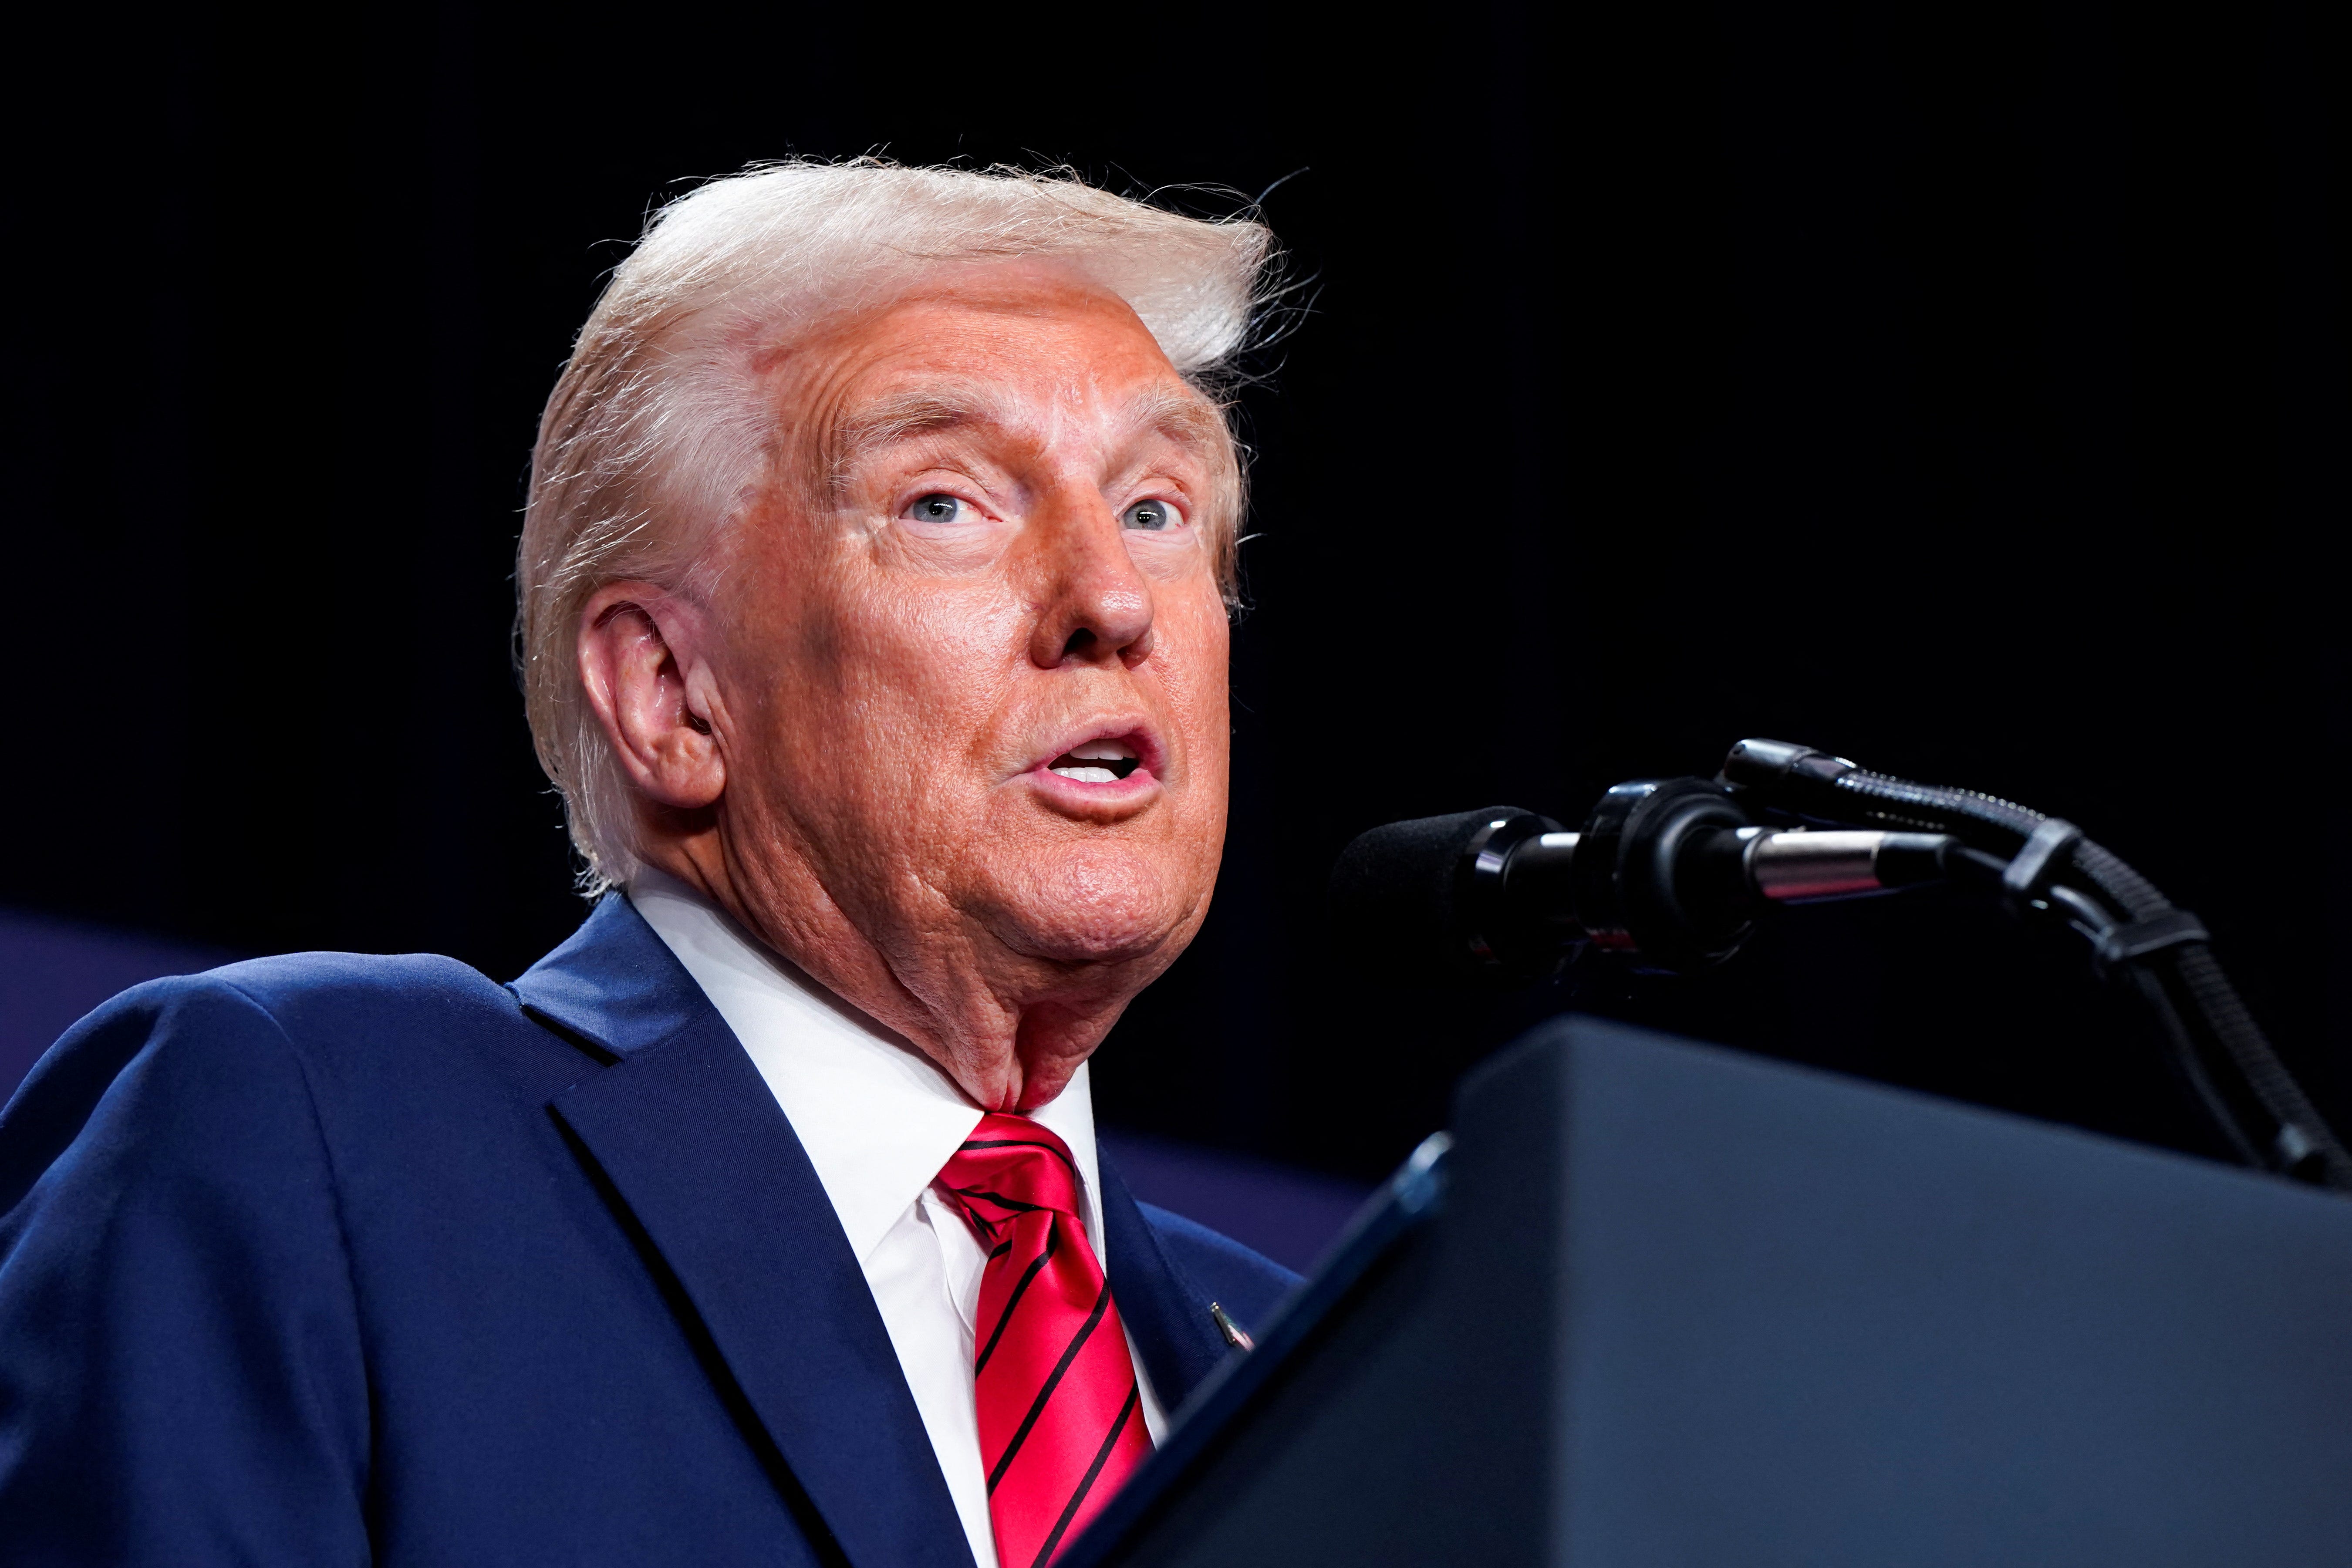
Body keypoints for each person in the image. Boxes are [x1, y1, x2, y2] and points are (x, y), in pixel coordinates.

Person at [0, 162, 1296, 1568]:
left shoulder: (1311, 1365)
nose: (1112, 600)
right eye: (945, 503)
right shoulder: (318, 1132)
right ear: (672, 693)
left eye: (1158, 508)